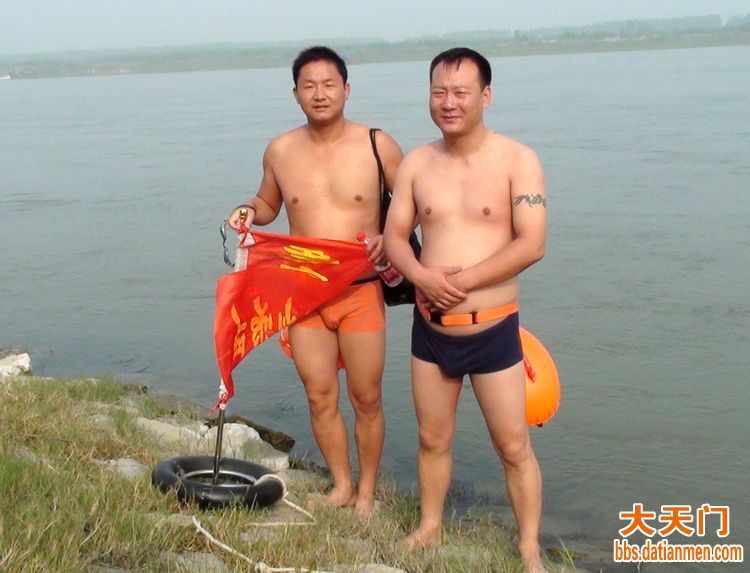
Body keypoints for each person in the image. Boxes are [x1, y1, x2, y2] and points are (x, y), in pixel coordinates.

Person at [383, 47, 548, 572]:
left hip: (494, 331)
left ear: (485, 96)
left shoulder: (518, 160)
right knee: (432, 438)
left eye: (460, 92)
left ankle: (528, 548)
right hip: (431, 332)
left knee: (513, 446)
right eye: (439, 91)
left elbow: (532, 243)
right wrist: (421, 276)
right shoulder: (417, 162)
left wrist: (460, 282)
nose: (448, 102)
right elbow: (394, 237)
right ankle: (429, 527)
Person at [226, 46, 403, 517]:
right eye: (309, 86)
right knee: (319, 394)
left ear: (347, 89)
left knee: (366, 397)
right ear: (296, 94)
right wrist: (249, 210)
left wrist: (389, 237)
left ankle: (367, 493)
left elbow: (411, 204)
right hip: (303, 294)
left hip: (360, 290)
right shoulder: (281, 150)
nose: (319, 94)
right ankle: (341, 485)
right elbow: (269, 204)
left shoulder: (377, 145)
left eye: (329, 85)